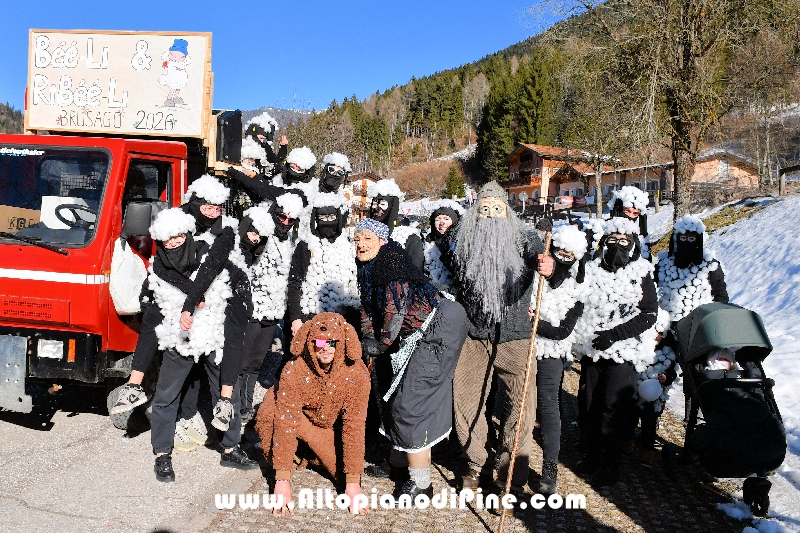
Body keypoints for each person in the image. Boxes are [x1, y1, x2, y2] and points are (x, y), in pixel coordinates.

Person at [447, 181, 552, 501]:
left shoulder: (524, 236)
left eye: (497, 208)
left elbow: (538, 255)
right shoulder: (462, 239)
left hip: (516, 336)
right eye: (484, 209)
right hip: (475, 335)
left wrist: (546, 264)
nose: (490, 216)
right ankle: (474, 464)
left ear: (507, 211)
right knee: (465, 402)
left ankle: (511, 476)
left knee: (521, 407)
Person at [355, 218, 468, 499]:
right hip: (418, 331)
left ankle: (421, 485)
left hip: (437, 328)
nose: (360, 244)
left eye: (367, 238)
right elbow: (369, 306)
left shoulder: (390, 261)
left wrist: (380, 344)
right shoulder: (368, 266)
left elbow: (395, 309)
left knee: (411, 403)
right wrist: (369, 336)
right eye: (357, 239)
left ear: (382, 240)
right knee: (396, 396)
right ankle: (397, 463)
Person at [142, 208, 257, 482]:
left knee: (227, 388)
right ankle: (162, 454)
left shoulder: (208, 254)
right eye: (166, 240)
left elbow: (237, 277)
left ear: (188, 235)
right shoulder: (158, 266)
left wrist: (241, 304)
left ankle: (230, 447)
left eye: (178, 237)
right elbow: (147, 297)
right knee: (166, 393)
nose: (172, 244)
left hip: (213, 330)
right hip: (180, 334)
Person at [574, 216, 659, 487]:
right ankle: (592, 452)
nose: (617, 245)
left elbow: (649, 313)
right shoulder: (592, 268)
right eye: (612, 240)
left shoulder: (642, 271)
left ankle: (611, 463)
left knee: (614, 406)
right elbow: (578, 301)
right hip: (592, 347)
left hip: (623, 350)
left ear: (633, 244)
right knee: (589, 403)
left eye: (624, 241)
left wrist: (615, 334)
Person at [268, 313, 371, 516]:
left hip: (330, 428)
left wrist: (352, 483)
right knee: (268, 411)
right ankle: (296, 457)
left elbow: (354, 427)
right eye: (320, 341)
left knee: (341, 476)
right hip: (300, 421)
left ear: (342, 342)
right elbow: (285, 421)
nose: (326, 348)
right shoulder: (294, 370)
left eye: (332, 342)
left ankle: (311, 455)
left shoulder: (357, 374)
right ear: (309, 340)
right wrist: (281, 480)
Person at [526, 224, 588, 495]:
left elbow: (562, 331)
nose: (561, 259)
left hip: (551, 353)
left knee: (548, 406)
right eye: (557, 253)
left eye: (568, 256)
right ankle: (511, 460)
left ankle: (550, 467)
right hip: (523, 348)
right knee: (518, 404)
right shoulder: (534, 274)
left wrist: (535, 322)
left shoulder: (578, 291)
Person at [654, 214, 728, 433]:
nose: (687, 242)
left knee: (696, 381)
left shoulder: (710, 266)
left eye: (692, 238)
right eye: (682, 238)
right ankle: (651, 422)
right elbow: (652, 293)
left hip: (697, 333)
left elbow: (721, 298)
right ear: (676, 238)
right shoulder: (664, 264)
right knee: (658, 375)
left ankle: (692, 427)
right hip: (666, 331)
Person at [287, 193, 360, 337]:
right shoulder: (306, 245)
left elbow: (353, 283)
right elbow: (294, 281)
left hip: (341, 318)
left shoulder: (348, 246)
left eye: (331, 217)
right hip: (310, 316)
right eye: (322, 218)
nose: (327, 221)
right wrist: (295, 318)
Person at [234, 204, 277, 424]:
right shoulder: (234, 251)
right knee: (242, 361)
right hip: (246, 314)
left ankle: (247, 405)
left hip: (268, 311)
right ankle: (236, 405)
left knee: (257, 361)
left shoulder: (264, 253)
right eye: (252, 232)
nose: (255, 238)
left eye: (260, 235)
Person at [366, 179, 425, 271]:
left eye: (382, 204)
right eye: (374, 204)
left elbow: (416, 272)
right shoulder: (364, 233)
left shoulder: (408, 238)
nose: (377, 208)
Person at [423, 199, 463, 292]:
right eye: (438, 219)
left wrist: (445, 251)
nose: (442, 223)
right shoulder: (427, 242)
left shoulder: (461, 243)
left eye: (446, 219)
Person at [607, 185, 651, 259]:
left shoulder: (639, 236)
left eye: (635, 213)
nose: (630, 216)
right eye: (627, 211)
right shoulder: (604, 229)